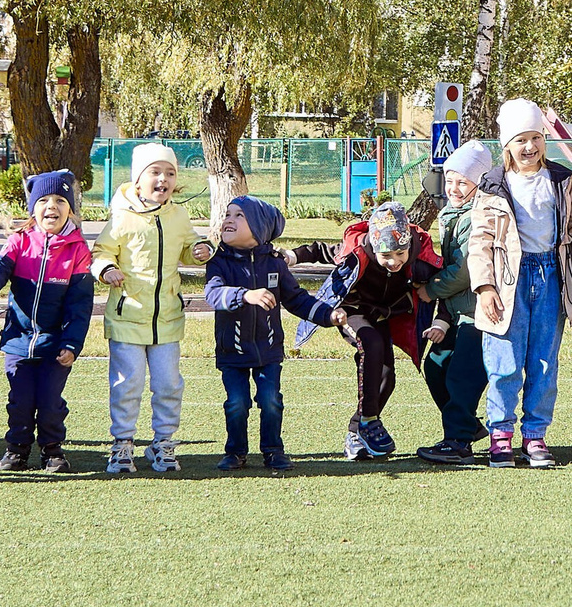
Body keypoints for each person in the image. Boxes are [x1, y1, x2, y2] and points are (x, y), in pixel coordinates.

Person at [467, 100, 572, 468]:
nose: (529, 147)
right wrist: (485, 287)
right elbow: (479, 241)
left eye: (535, 138)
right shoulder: (492, 185)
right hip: (507, 279)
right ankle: (501, 435)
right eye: (520, 140)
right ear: (506, 145)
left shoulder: (562, 180)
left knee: (544, 361)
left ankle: (535, 435)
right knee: (504, 361)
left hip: (551, 278)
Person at [91, 142, 212, 476]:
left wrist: (201, 249)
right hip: (128, 316)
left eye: (170, 173)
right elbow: (101, 251)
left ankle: (163, 444)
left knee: (169, 384)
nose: (164, 179)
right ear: (138, 180)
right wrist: (105, 269)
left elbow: (188, 246)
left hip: (167, 319)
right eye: (155, 172)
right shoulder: (122, 216)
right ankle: (122, 445)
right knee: (126, 383)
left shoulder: (178, 214)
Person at [0, 171, 96, 472]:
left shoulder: (78, 250)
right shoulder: (18, 242)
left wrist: (72, 343)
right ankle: (17, 449)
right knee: (20, 401)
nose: (52, 206)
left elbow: (80, 304)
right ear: (33, 208)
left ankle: (52, 451)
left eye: (61, 200)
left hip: (56, 344)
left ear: (71, 210)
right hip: (18, 341)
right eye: (44, 200)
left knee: (50, 403)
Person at [202, 195, 332, 471]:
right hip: (232, 351)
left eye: (239, 216)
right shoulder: (219, 262)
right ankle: (235, 451)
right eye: (228, 214)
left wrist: (328, 314)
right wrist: (245, 295)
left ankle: (273, 450)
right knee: (237, 403)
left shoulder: (274, 263)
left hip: (269, 350)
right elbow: (213, 294)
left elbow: (297, 299)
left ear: (259, 229)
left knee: (271, 400)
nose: (229, 219)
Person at [316, 203, 444, 460]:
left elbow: (448, 287)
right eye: (386, 255)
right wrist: (291, 256)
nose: (394, 261)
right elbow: (320, 250)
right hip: (353, 312)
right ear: (373, 247)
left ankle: (357, 430)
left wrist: (441, 319)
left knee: (387, 377)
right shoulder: (358, 251)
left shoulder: (421, 260)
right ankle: (368, 422)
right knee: (370, 343)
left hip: (384, 316)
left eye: (400, 253)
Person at [416, 143, 494, 465]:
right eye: (450, 180)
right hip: (456, 313)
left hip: (480, 314)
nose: (454, 188)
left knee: (462, 375)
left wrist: (430, 290)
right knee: (435, 367)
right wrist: (443, 317)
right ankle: (470, 427)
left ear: (478, 182)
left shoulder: (480, 213)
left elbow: (464, 270)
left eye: (463, 181)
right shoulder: (450, 213)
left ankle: (457, 441)